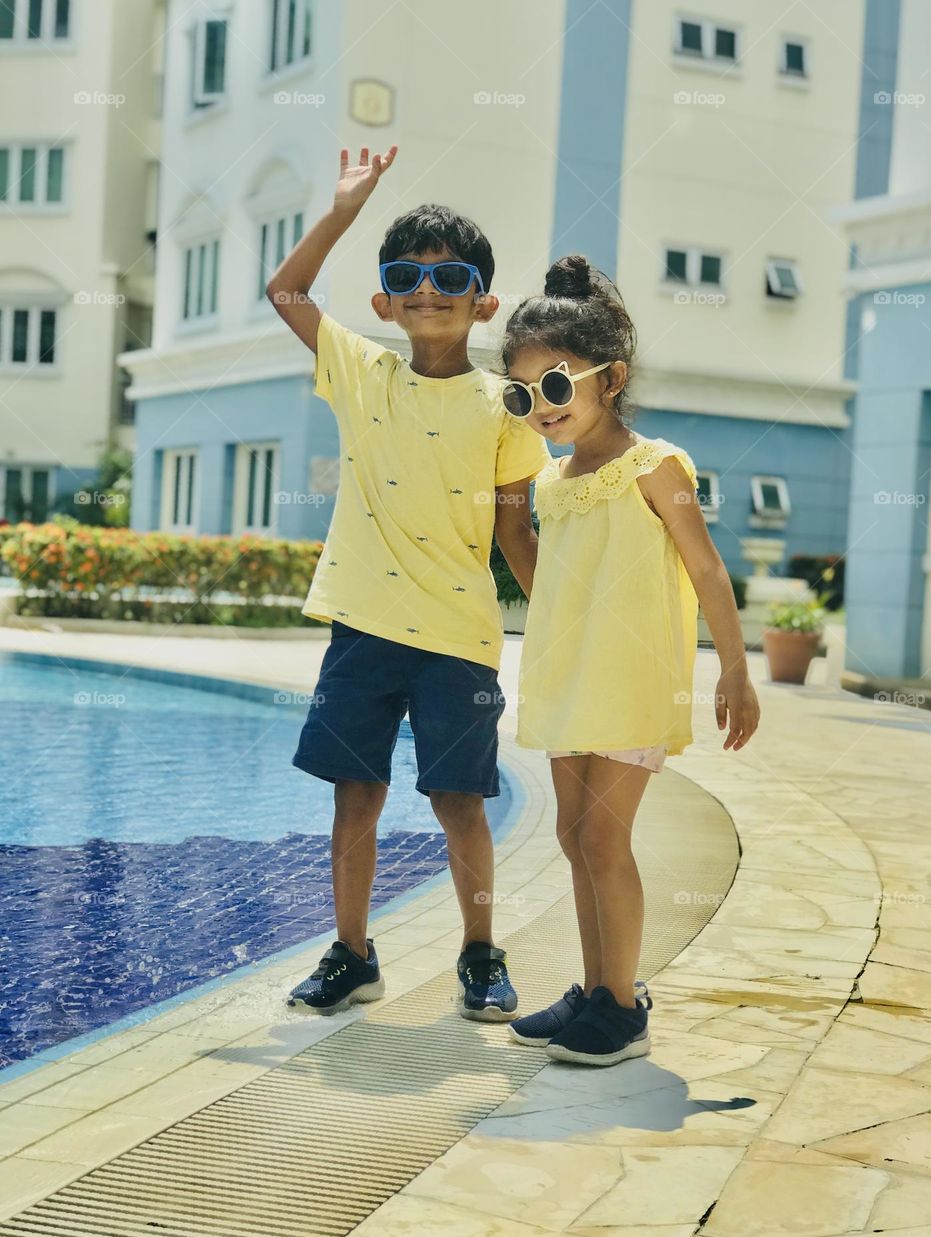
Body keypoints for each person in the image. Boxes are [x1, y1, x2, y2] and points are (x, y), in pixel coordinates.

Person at [267, 146, 550, 1020]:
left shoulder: (508, 404)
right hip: (361, 625)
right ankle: (353, 956)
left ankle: (479, 954)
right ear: (384, 299)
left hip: (457, 636)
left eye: (451, 276)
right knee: (357, 794)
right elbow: (286, 293)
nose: (429, 289)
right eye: (406, 276)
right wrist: (345, 209)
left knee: (459, 802)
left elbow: (515, 530)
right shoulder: (363, 370)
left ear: (483, 300)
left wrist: (560, 620)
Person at [501, 254, 760, 1066]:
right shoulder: (553, 482)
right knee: (576, 839)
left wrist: (735, 668)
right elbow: (550, 572)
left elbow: (707, 567)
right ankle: (596, 991)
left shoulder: (658, 466)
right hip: (572, 678)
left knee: (607, 842)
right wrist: (558, 621)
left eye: (555, 385)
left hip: (630, 679)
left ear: (609, 378)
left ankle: (623, 1009)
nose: (540, 407)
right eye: (521, 394)